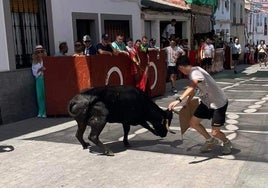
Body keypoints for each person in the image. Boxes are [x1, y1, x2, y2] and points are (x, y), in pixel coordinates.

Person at [168, 56, 232, 155]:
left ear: (181, 67)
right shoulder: (194, 72)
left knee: (215, 132)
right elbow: (194, 89)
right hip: (206, 103)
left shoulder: (195, 72)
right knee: (193, 123)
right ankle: (210, 140)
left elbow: (192, 86)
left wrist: (179, 100)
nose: (180, 71)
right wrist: (188, 101)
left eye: (179, 69)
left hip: (218, 104)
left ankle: (227, 142)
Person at [32, 45, 47, 118]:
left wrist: (41, 69)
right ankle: (41, 111)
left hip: (45, 79)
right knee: (39, 96)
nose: (40, 53)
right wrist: (40, 70)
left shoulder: (45, 60)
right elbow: (34, 72)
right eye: (38, 52)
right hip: (38, 79)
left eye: (41, 51)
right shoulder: (34, 62)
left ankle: (45, 111)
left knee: (45, 95)